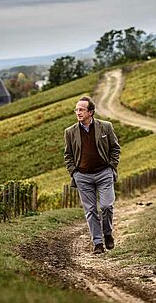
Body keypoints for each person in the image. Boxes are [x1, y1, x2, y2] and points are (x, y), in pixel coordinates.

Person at [64, 96, 121, 254]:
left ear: (91, 112)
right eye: (76, 109)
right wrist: (74, 172)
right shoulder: (69, 132)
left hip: (104, 173)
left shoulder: (106, 127)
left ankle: (107, 233)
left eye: (81, 109)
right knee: (90, 211)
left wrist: (111, 166)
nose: (78, 112)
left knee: (106, 206)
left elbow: (115, 148)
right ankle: (98, 244)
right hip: (82, 177)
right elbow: (67, 155)